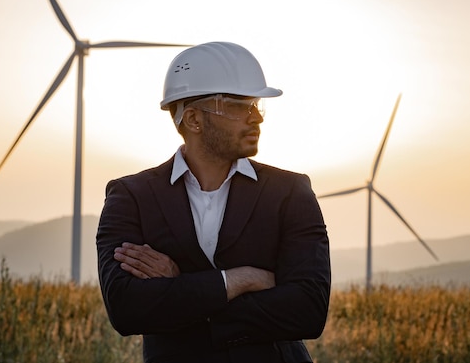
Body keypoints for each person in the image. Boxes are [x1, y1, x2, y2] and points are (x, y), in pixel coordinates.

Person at [96, 41, 331, 363]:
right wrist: (240, 280)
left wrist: (180, 287)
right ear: (193, 119)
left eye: (257, 106)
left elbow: (308, 311)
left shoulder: (291, 191)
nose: (256, 118)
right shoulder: (131, 196)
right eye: (238, 106)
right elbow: (126, 310)